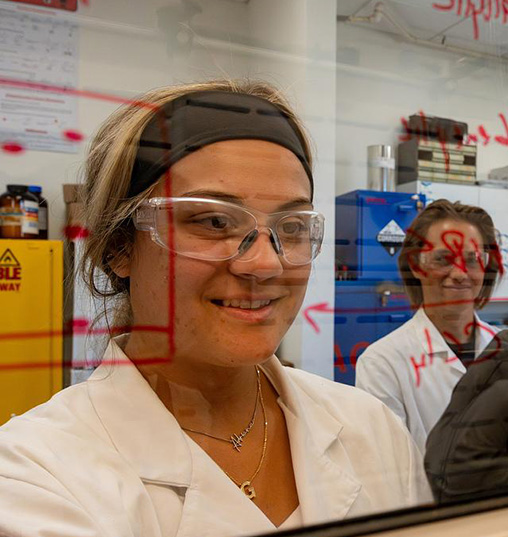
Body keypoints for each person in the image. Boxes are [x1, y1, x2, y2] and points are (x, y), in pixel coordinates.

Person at [0, 81, 430, 536]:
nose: (266, 262)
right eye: (213, 221)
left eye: (292, 225)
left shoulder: (371, 429)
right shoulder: (35, 477)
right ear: (120, 247)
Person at [355, 200, 502, 451]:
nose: (459, 273)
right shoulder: (382, 363)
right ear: (416, 266)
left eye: (473, 259)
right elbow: (389, 468)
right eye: (443, 259)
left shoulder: (506, 347)